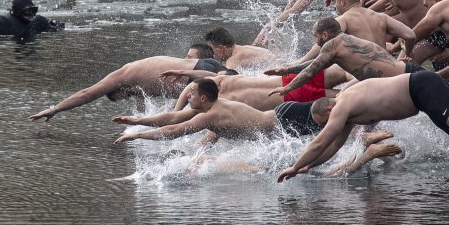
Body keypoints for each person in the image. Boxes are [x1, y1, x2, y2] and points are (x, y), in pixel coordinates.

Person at [276, 71, 449, 183]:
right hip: (420, 99)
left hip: (420, 86)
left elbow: (321, 141)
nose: (330, 126)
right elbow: (332, 146)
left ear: (327, 110)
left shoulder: (342, 105)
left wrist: (295, 166)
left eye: (326, 122)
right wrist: (309, 166)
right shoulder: (346, 112)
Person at [113, 79, 334, 145]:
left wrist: (138, 135)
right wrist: (138, 120)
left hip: (286, 119)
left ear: (203, 98)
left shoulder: (210, 114)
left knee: (337, 113)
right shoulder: (208, 108)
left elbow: (174, 131)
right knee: (335, 122)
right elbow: (173, 117)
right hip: (281, 124)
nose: (186, 97)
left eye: (190, 94)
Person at [29, 53, 226, 120]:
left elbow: (87, 94)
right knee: (241, 86)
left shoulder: (122, 75)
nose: (130, 97)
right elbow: (141, 113)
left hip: (195, 78)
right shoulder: (137, 82)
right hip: (204, 64)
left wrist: (54, 109)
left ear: (120, 89)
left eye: (125, 96)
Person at [268, 19, 420, 99]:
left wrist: (287, 88)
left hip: (403, 79)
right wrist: (287, 70)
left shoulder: (332, 45)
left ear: (325, 35)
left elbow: (310, 72)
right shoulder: (344, 40)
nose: (315, 41)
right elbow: (315, 64)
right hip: (402, 76)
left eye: (315, 36)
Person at [168, 66, 348, 112]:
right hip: (289, 79)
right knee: (347, 73)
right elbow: (193, 86)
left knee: (345, 99)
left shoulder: (220, 106)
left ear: (203, 99)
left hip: (292, 95)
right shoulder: (221, 80)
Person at [329, 0, 417, 49]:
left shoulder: (343, 19)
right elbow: (410, 35)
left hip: (362, 69)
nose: (335, 5)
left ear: (343, 1)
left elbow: (326, 44)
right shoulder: (382, 17)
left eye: (335, 1)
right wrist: (405, 53)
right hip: (385, 66)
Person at [0, 0, 64, 38]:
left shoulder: (38, 20)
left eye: (33, 10)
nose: (31, 15)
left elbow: (60, 26)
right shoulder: (0, 21)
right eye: (27, 11)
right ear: (17, 11)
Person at [204, 27, 273, 70]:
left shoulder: (233, 60)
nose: (212, 54)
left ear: (221, 48)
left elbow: (226, 81)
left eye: (211, 49)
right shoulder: (244, 48)